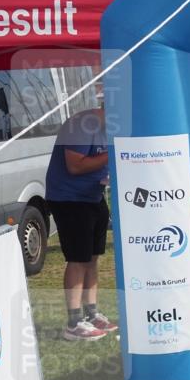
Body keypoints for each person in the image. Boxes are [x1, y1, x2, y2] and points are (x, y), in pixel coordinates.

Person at [46, 106, 118, 341]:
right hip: (69, 199)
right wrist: (113, 152)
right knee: (77, 259)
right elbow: (75, 165)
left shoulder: (109, 127)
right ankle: (74, 322)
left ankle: (92, 313)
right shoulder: (81, 125)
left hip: (93, 196)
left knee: (93, 257)